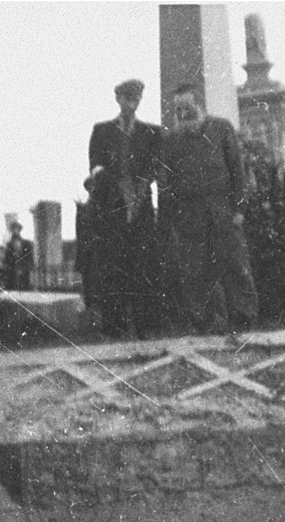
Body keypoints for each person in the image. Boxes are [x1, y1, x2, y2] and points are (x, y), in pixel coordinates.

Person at [159, 82, 258, 334]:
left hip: (222, 210)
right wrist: (170, 220)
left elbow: (238, 171)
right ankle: (203, 322)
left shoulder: (222, 129)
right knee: (194, 272)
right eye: (179, 109)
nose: (183, 114)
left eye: (188, 108)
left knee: (235, 265)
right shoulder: (171, 142)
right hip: (190, 215)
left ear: (199, 105)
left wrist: (239, 210)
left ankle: (243, 317)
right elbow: (167, 184)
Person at [86, 79, 163, 337]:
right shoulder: (102, 131)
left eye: (136, 98)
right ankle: (114, 328)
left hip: (140, 206)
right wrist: (109, 181)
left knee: (143, 266)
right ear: (118, 99)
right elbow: (95, 165)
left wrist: (141, 186)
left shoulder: (151, 132)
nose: (132, 103)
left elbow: (156, 166)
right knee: (113, 267)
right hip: (112, 208)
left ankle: (145, 327)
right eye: (127, 98)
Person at [1, 221, 33, 290]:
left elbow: (29, 256)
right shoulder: (9, 245)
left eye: (17, 229)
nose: (15, 231)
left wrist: (27, 266)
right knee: (13, 288)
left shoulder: (26, 243)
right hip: (12, 270)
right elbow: (6, 258)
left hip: (23, 269)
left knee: (25, 287)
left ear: (19, 230)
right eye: (14, 229)